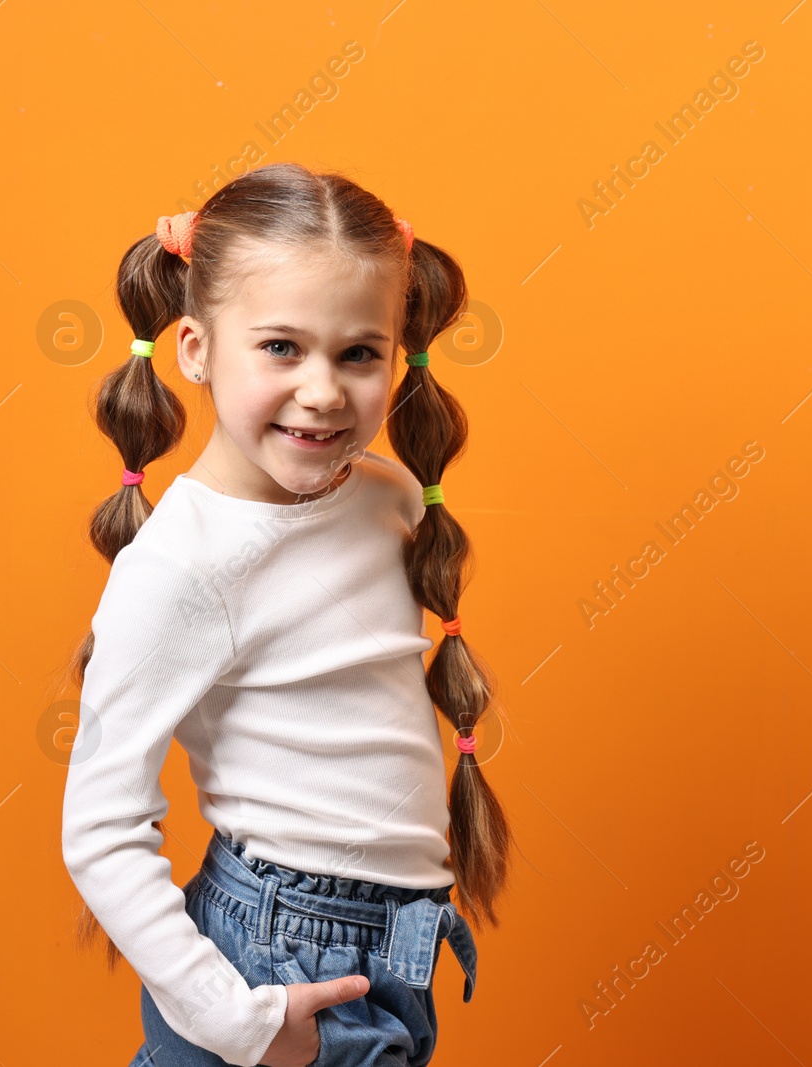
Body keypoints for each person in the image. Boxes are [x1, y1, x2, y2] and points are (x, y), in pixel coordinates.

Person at [60, 161, 511, 1067]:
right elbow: (101, 826)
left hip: (394, 949)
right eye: (280, 348)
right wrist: (239, 1019)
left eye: (358, 352)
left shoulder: (388, 499)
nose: (324, 391)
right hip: (279, 952)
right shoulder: (183, 563)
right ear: (194, 348)